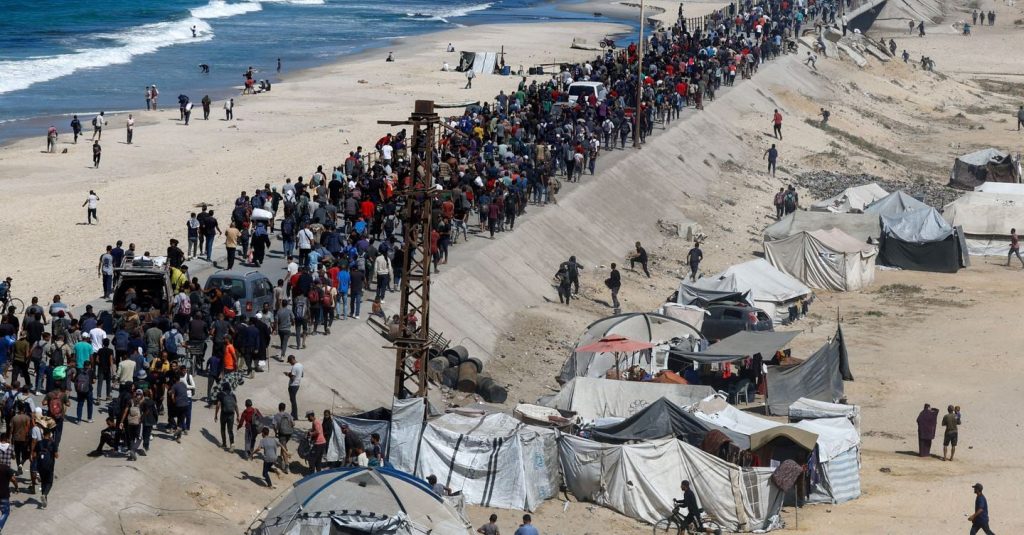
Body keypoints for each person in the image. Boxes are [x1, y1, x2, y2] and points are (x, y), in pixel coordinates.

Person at [34, 427, 57, 507]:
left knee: (43, 482)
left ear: (43, 434)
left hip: (40, 466)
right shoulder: (52, 443)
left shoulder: (39, 443)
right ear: (50, 434)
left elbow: (35, 455)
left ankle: (45, 500)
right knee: (49, 482)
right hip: (49, 466)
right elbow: (56, 456)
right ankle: (44, 494)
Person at [214, 383, 239, 451]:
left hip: (224, 414)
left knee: (223, 429)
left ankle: (224, 444)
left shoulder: (220, 394)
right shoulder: (233, 395)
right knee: (230, 430)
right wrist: (238, 416)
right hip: (231, 414)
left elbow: (218, 405)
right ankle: (232, 444)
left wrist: (216, 415)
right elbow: (236, 406)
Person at [0, 451, 18, 529]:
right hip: (3, 495)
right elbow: (13, 479)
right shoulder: (5, 468)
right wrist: (16, 487)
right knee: (5, 512)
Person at [285, 355, 302, 420]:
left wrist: (288, 374)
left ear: (292, 360)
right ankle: (294, 414)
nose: (290, 363)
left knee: (293, 401)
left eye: (290, 362)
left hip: (293, 385)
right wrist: (291, 373)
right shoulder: (300, 365)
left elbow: (292, 378)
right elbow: (301, 374)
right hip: (297, 384)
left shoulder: (294, 367)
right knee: (293, 400)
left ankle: (294, 415)